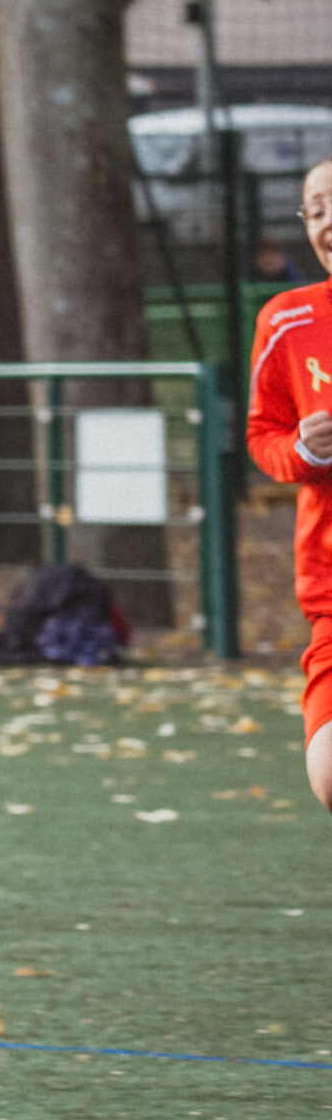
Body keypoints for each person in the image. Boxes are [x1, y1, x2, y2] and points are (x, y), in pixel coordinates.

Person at [249, 156, 332, 816]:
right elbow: (263, 435)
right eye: (317, 208)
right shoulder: (288, 319)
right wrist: (303, 449)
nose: (328, 222)